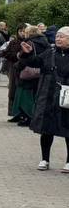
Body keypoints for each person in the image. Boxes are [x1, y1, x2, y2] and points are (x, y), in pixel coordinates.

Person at [29, 26, 69, 172]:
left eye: (62, 36)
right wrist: (27, 54)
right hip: (48, 96)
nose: (58, 39)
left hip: (67, 97)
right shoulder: (50, 52)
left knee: (67, 129)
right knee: (46, 129)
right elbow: (35, 62)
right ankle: (44, 159)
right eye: (57, 36)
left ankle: (68, 162)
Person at [12, 29, 47, 128]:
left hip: (28, 72)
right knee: (35, 96)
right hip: (39, 73)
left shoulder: (29, 42)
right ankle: (32, 117)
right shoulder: (45, 41)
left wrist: (18, 64)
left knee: (25, 97)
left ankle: (28, 117)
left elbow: (25, 58)